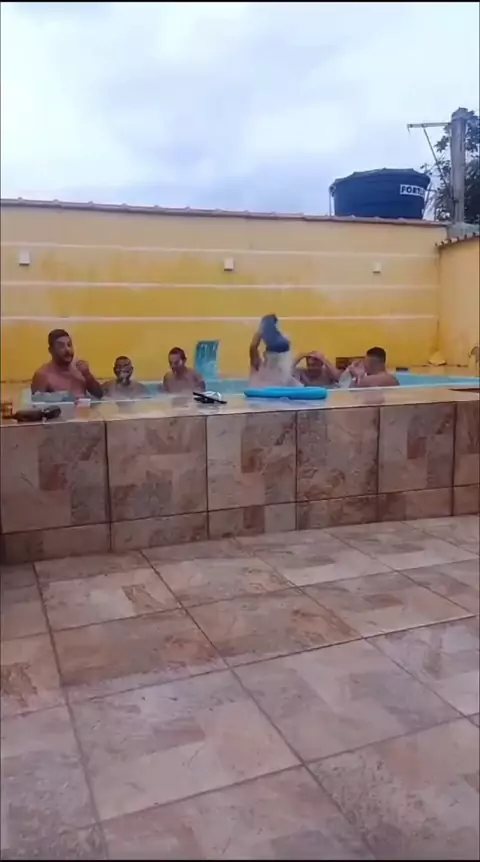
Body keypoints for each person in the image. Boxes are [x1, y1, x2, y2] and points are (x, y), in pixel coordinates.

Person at [31, 329, 103, 399]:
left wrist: (88, 375)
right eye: (61, 346)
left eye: (69, 345)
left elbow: (99, 395)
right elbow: (36, 403)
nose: (67, 349)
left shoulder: (80, 371)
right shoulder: (43, 375)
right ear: (51, 350)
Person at [249, 315, 302, 387]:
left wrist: (264, 329)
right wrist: (263, 330)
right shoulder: (258, 367)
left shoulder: (285, 374)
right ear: (265, 355)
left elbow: (253, 347)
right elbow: (253, 347)